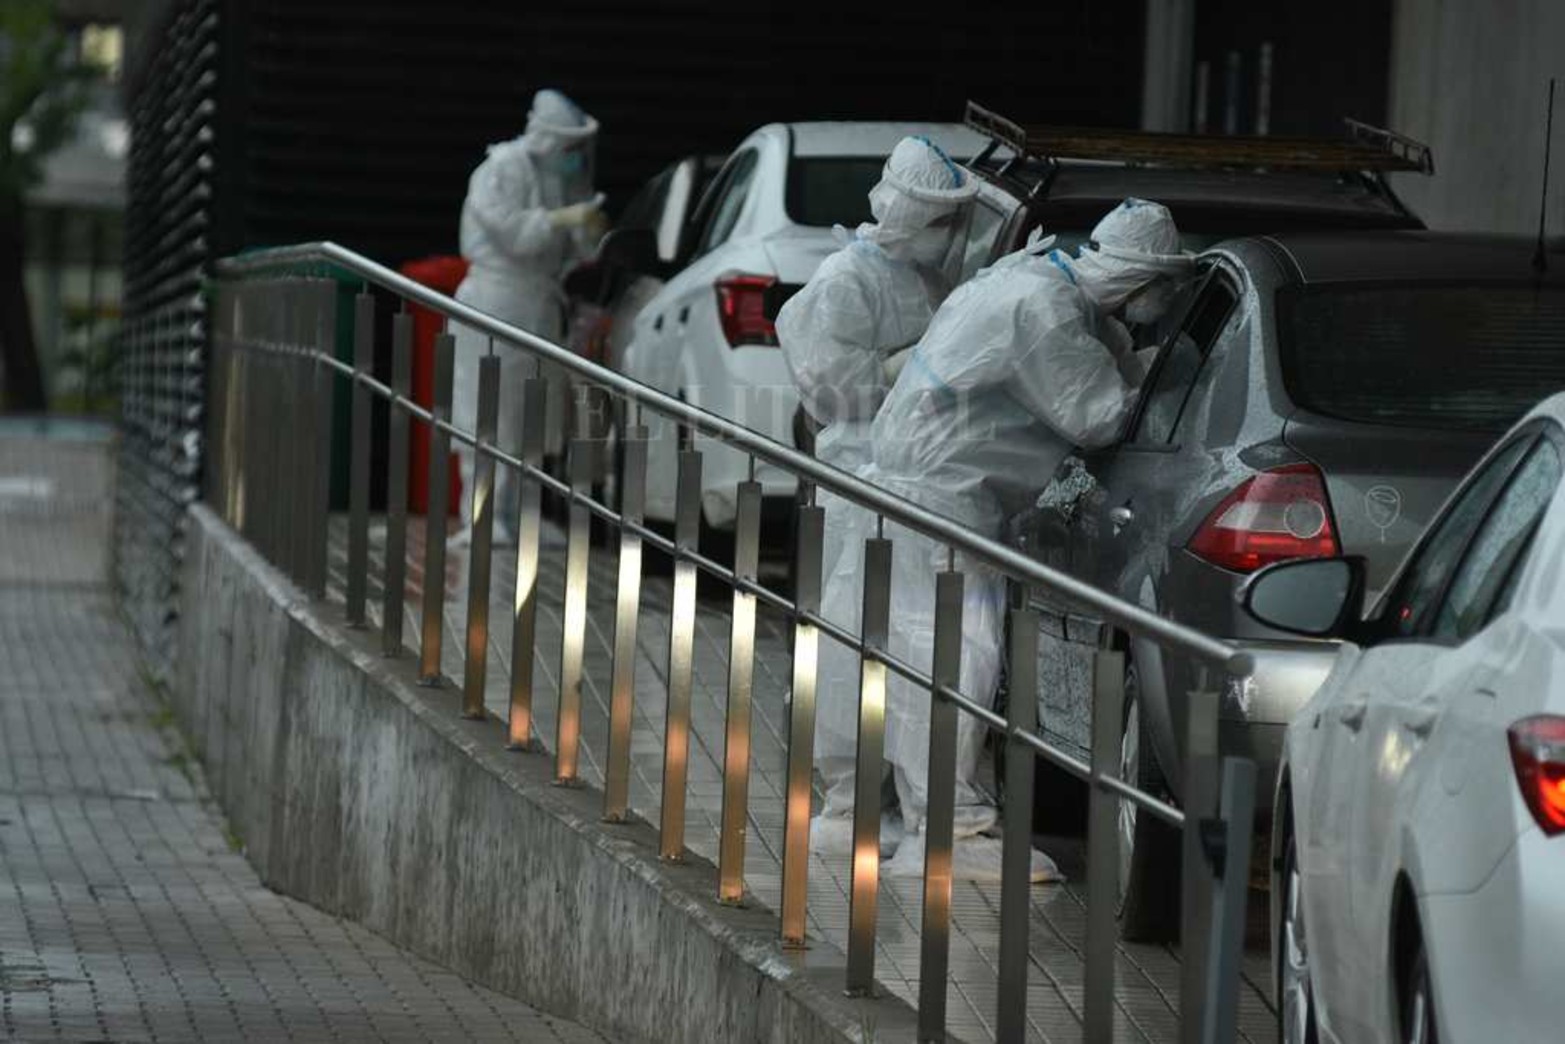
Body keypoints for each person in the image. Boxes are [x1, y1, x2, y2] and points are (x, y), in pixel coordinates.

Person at [813, 198, 1194, 882]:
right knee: (953, 659)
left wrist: (1120, 351)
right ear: (1140, 278)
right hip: (943, 502)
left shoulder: (1026, 280)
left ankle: (856, 812)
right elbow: (1099, 416)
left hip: (909, 488)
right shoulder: (1044, 311)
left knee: (887, 649)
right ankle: (949, 834)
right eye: (1161, 287)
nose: (1160, 303)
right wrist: (1162, 373)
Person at [774, 136, 978, 857]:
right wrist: (900, 369)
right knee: (851, 638)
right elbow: (830, 389)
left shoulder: (923, 278)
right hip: (857, 478)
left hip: (912, 475)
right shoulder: (845, 279)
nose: (947, 233)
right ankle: (847, 802)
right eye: (939, 219)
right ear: (908, 214)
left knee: (901, 642)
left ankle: (893, 798)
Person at [450, 89, 606, 546]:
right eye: (570, 146)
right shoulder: (501, 168)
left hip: (540, 306)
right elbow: (513, 233)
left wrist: (588, 229)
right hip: (496, 300)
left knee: (535, 415)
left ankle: (525, 514)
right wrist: (560, 220)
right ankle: (481, 515)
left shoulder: (562, 178)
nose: (575, 156)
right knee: (489, 409)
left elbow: (577, 249)